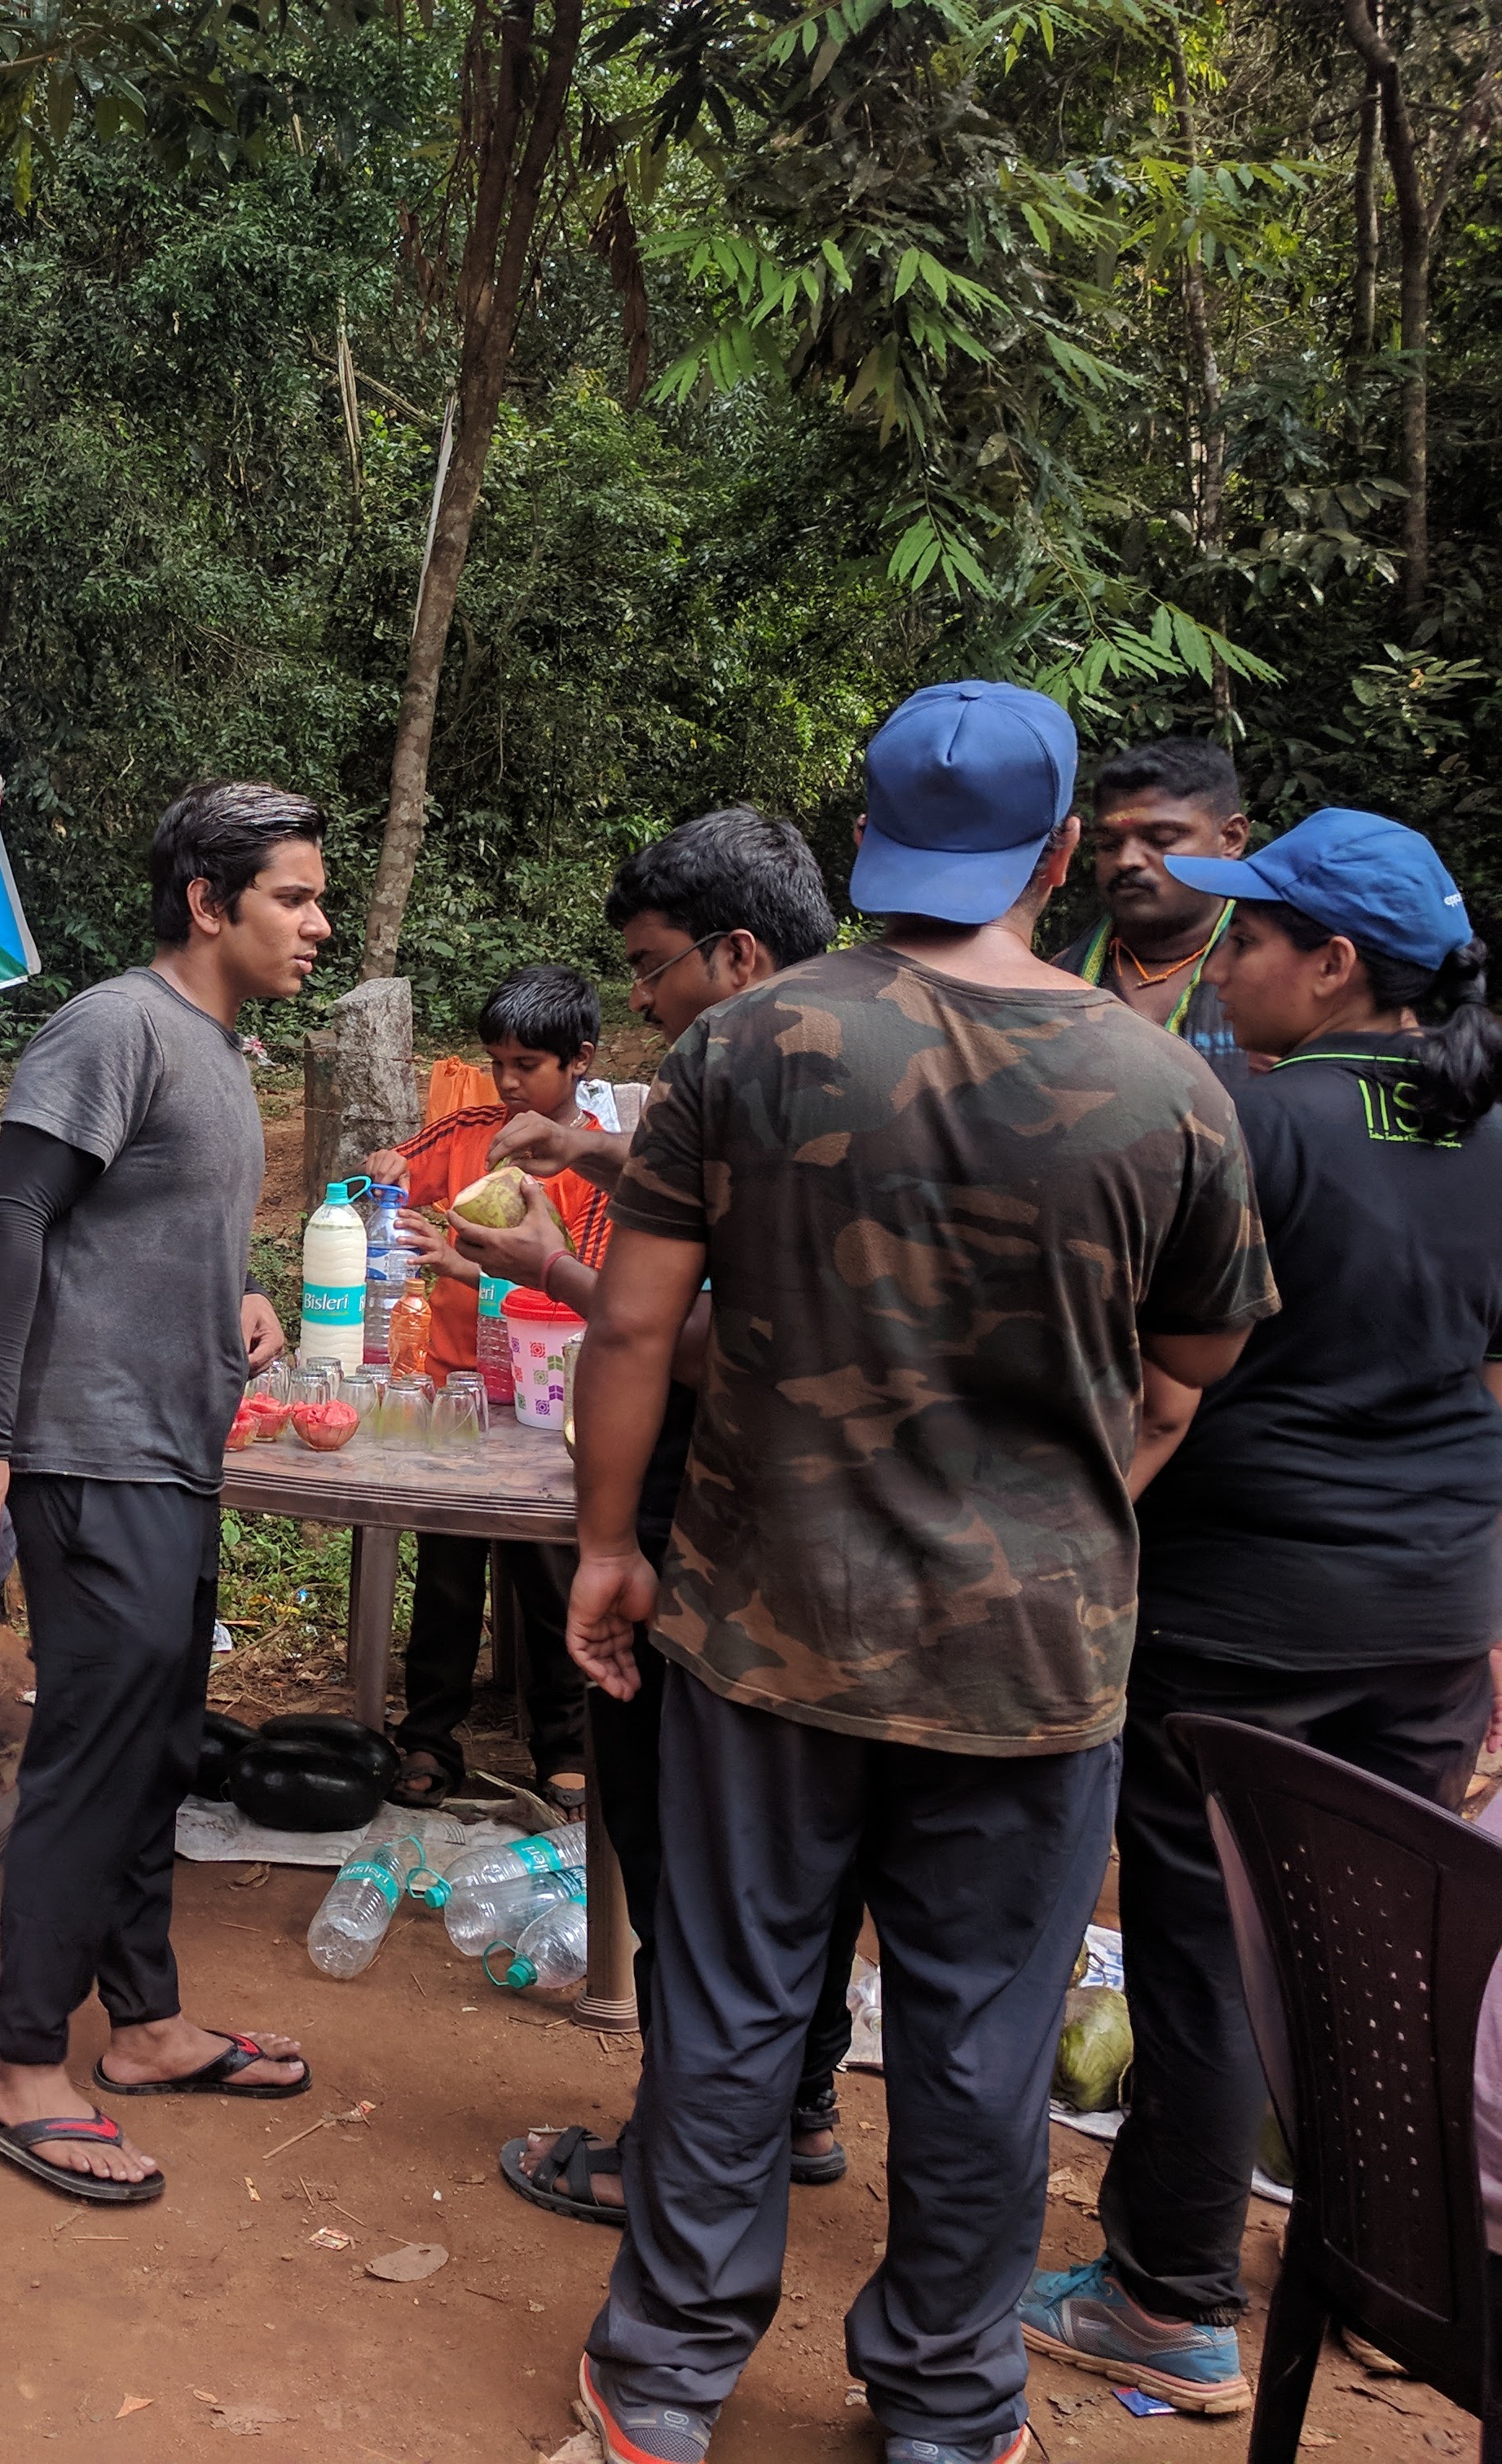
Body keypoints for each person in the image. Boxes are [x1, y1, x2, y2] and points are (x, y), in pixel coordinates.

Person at [562, 680, 1276, 2464]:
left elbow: (636, 1324)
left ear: (869, 836)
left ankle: (662, 2379)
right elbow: (1195, 1366)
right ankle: (948, 2407)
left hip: (765, 1628)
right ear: (1057, 855)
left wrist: (602, 1551)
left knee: (732, 2007)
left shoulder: (747, 1047)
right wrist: (1069, 1499)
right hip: (1033, 1665)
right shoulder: (1169, 1089)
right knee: (976, 2045)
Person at [1020, 807, 1501, 2418]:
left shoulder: (1245, 1116)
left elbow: (1149, 1367)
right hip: (1435, 1607)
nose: (1229, 965)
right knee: (1378, 1946)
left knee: (1207, 1946)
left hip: (1249, 1607)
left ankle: (1165, 2297)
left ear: (1335, 963)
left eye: (1257, 937)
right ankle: (1372, 2280)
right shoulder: (1488, 1122)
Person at [444, 808, 863, 2229]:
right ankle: (797, 2107)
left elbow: (698, 1337)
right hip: (842, 1545)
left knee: (687, 1834)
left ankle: (680, 2148)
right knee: (803, 1846)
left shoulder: (738, 1070)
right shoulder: (878, 1061)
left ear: (735, 954)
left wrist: (556, 1263)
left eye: (652, 963)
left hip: (714, 1520)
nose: (637, 995)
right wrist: (597, 1163)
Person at [0, 781, 319, 2202]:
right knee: (96, 1746)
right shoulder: (114, 1024)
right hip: (87, 1448)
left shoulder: (215, 1046)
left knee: (157, 1738)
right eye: (293, 896)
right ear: (210, 902)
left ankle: (144, 2025)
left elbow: (141, 1222)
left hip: (171, 1441)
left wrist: (247, 1290)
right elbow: (16, 1214)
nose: (316, 923)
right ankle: (22, 2058)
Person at [360, 963, 616, 1813]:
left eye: (528, 1066)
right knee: (445, 1571)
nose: (508, 1083)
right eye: (497, 1062)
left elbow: (581, 1290)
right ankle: (429, 1733)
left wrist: (461, 1268)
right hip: (454, 1388)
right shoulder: (471, 1131)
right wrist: (386, 1179)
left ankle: (564, 1742)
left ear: (578, 1061)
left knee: (552, 1571)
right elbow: (391, 1179)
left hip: (550, 1405)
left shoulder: (603, 1173)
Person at [1050, 737, 1249, 1071]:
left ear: (1230, 838)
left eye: (1162, 839)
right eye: (1108, 844)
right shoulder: (1056, 980)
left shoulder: (1286, 974)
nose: (1127, 860)